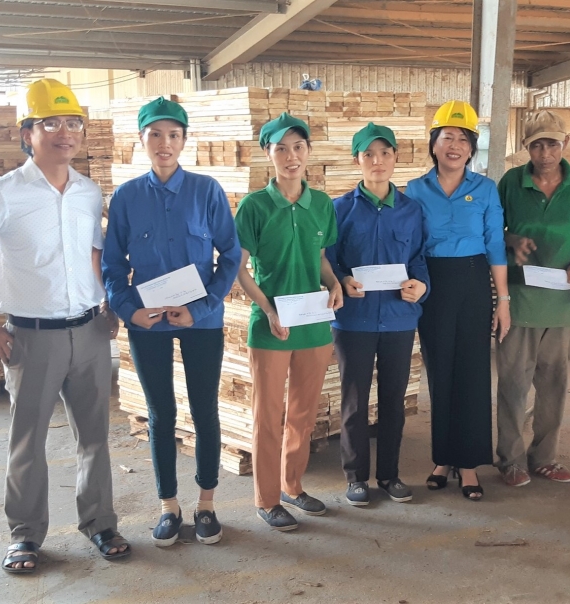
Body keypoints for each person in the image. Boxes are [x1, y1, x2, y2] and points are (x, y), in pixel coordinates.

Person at [0, 79, 129, 573]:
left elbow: (94, 256)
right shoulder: (2, 194)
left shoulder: (88, 192)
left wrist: (108, 304)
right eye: (51, 123)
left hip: (90, 332)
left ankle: (100, 523)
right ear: (28, 134)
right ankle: (24, 535)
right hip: (31, 337)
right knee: (28, 441)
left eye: (73, 123)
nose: (65, 132)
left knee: (95, 437)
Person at [102, 97, 241, 545]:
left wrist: (201, 307)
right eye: (156, 135)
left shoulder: (206, 191)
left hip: (201, 320)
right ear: (141, 140)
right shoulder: (127, 197)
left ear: (184, 141)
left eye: (174, 135)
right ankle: (168, 507)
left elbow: (231, 255)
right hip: (148, 323)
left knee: (204, 409)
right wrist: (129, 310)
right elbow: (111, 264)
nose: (165, 143)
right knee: (161, 413)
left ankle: (206, 504)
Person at [233, 112, 343, 530]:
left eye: (298, 147)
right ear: (269, 154)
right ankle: (266, 498)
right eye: (281, 148)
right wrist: (268, 309)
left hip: (313, 324)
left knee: (303, 413)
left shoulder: (322, 205)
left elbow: (320, 258)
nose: (291, 156)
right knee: (268, 415)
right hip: (271, 327)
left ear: (308, 151)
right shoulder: (254, 206)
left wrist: (334, 284)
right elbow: (239, 268)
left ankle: (292, 486)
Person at [405, 100, 510, 501]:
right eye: (447, 137)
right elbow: (410, 244)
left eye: (463, 139)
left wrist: (503, 300)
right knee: (439, 370)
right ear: (433, 144)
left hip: (472, 281)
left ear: (471, 149)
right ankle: (442, 459)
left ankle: (468, 464)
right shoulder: (416, 189)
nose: (455, 146)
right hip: (432, 283)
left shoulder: (484, 189)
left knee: (472, 371)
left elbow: (495, 245)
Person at [326, 123, 430, 506]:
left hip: (399, 319)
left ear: (396, 157)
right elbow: (327, 261)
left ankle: (390, 474)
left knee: (393, 401)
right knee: (354, 402)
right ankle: (356, 477)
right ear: (357, 160)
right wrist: (341, 280)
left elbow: (419, 259)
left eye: (385, 153)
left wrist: (421, 286)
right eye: (368, 154)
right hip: (354, 319)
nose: (377, 161)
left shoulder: (411, 210)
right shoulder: (339, 210)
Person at [494, 110, 570, 487]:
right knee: (513, 382)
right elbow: (492, 228)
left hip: (561, 299)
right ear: (526, 148)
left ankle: (545, 457)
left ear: (565, 143)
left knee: (553, 384)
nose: (546, 153)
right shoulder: (511, 182)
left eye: (552, 144)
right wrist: (512, 240)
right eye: (537, 145)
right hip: (519, 296)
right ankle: (510, 459)